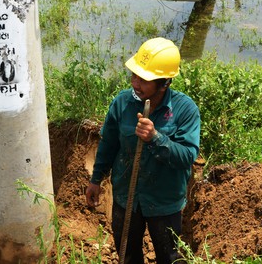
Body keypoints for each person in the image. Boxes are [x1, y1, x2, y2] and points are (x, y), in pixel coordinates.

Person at [85, 37, 201, 264]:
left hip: (165, 202)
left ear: (165, 82)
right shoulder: (122, 103)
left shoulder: (185, 110)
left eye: (144, 79)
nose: (135, 83)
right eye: (134, 75)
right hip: (126, 196)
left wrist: (155, 138)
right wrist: (96, 179)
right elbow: (109, 144)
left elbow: (188, 156)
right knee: (127, 255)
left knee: (169, 258)